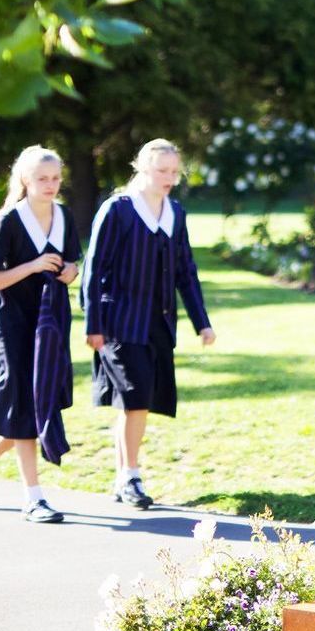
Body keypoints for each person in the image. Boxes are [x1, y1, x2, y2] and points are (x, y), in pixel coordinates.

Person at [81, 138, 216, 509]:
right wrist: (92, 323)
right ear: (142, 168)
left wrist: (201, 323)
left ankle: (123, 475)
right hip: (118, 323)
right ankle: (131, 477)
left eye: (174, 171)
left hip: (158, 323)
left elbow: (186, 271)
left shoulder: (176, 213)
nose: (169, 177)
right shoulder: (118, 210)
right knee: (135, 397)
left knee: (135, 401)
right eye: (162, 170)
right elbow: (94, 271)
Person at [0, 145, 81, 523]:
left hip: (50, 324)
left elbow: (73, 262)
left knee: (38, 406)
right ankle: (34, 498)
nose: (51, 185)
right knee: (25, 408)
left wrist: (69, 271)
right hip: (13, 325)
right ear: (25, 181)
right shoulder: (9, 221)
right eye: (42, 179)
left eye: (55, 178)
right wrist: (32, 266)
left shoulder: (64, 216)